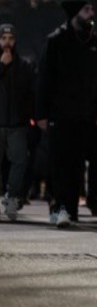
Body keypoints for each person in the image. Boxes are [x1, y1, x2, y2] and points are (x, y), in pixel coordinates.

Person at [35, 0, 97, 227]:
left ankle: (70, 209)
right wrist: (41, 113)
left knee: (78, 163)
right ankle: (59, 207)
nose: (92, 13)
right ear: (75, 13)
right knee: (60, 162)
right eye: (87, 9)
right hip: (60, 113)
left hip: (86, 114)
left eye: (92, 8)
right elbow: (44, 79)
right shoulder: (56, 41)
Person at [0, 23, 35, 221]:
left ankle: (12, 197)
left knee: (19, 162)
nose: (7, 43)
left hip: (17, 123)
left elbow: (30, 93)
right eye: (3, 38)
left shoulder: (25, 65)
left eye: (11, 39)